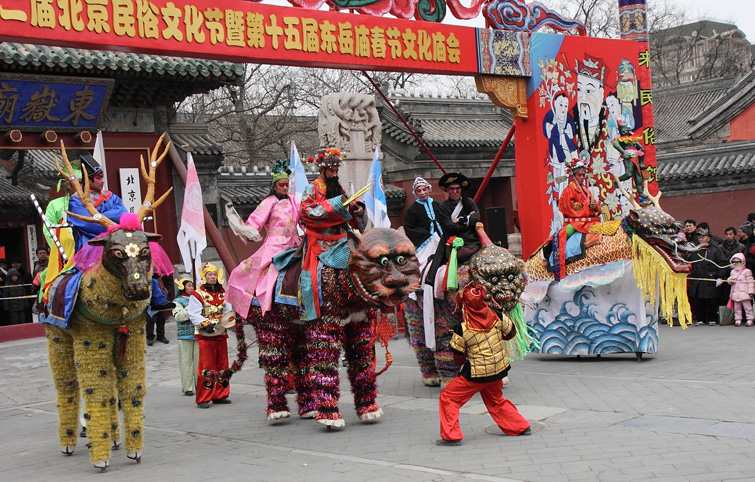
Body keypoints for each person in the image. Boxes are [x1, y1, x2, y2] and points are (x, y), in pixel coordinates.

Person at [437, 283, 531, 446]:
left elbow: (458, 357)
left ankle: (451, 435)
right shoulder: (497, 315)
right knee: (495, 399)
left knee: (448, 397)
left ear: (465, 306)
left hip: (476, 374)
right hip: (498, 369)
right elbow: (510, 334)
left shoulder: (462, 328)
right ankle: (519, 426)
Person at [226, 160, 301, 319]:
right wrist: (247, 230)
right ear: (274, 186)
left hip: (295, 242)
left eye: (287, 185)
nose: (285, 188)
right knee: (265, 274)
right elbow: (255, 222)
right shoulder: (268, 203)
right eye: (282, 185)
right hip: (275, 245)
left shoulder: (295, 201)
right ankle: (266, 306)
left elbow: (305, 215)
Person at [298, 147, 359, 321]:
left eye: (336, 170)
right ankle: (312, 314)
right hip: (320, 243)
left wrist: (358, 211)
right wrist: (335, 206)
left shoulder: (339, 188)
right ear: (322, 169)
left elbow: (350, 206)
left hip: (341, 240)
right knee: (311, 281)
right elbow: (306, 212)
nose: (334, 173)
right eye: (331, 170)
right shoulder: (311, 189)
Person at [188, 262, 234, 408]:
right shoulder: (197, 295)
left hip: (221, 334)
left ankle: (220, 394)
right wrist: (205, 324)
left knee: (222, 365)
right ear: (204, 277)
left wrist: (229, 321)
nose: (212, 277)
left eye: (214, 274)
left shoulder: (223, 294)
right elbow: (193, 314)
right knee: (207, 366)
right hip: (205, 335)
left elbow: (227, 312)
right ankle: (204, 397)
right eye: (209, 274)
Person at [550, 159, 601, 280]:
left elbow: (593, 206)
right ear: (574, 176)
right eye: (579, 175)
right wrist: (586, 206)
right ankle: (556, 265)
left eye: (584, 175)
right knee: (559, 238)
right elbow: (569, 208)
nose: (582, 177)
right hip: (576, 223)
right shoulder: (569, 190)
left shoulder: (586, 190)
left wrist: (595, 207)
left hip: (590, 221)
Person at [436, 172, 481, 263]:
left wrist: (460, 220)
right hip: (452, 240)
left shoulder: (469, 202)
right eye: (452, 189)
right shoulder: (443, 207)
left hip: (472, 239)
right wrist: (468, 219)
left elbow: (476, 218)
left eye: (457, 189)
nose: (455, 192)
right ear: (448, 190)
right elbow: (450, 227)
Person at [684, 229, 726, 326]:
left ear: (708, 238)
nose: (701, 239)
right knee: (698, 300)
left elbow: (723, 263)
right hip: (697, 278)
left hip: (710, 278)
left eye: (703, 237)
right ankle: (700, 318)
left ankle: (712, 318)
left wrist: (720, 276)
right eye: (699, 237)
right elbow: (686, 259)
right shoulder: (694, 249)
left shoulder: (715, 249)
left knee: (711, 300)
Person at [403, 176, 443, 266]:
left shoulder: (438, 205)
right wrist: (426, 234)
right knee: (424, 263)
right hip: (425, 241)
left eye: (424, 189)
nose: (422, 193)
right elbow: (409, 227)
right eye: (419, 191)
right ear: (415, 193)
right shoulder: (412, 209)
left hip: (441, 238)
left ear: (428, 189)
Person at [173, 278, 199, 396]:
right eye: (189, 286)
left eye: (192, 286)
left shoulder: (198, 299)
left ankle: (200, 385)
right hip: (185, 335)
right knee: (186, 362)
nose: (192, 288)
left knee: (199, 362)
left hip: (198, 333)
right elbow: (179, 316)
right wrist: (191, 307)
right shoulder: (178, 301)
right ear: (182, 287)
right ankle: (187, 387)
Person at [725, 253, 755, 327]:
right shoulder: (732, 271)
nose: (736, 264)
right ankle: (738, 319)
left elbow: (751, 282)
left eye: (737, 262)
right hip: (736, 292)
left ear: (742, 262)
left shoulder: (747, 271)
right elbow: (730, 279)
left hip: (745, 293)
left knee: (748, 308)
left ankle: (750, 319)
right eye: (734, 262)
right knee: (737, 308)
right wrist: (729, 280)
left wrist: (751, 291)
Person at [10, 257, 34, 323]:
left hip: (25, 298)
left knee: (27, 317)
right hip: (13, 302)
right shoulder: (8, 276)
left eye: (17, 263)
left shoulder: (27, 274)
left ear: (20, 264)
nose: (16, 265)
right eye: (14, 264)